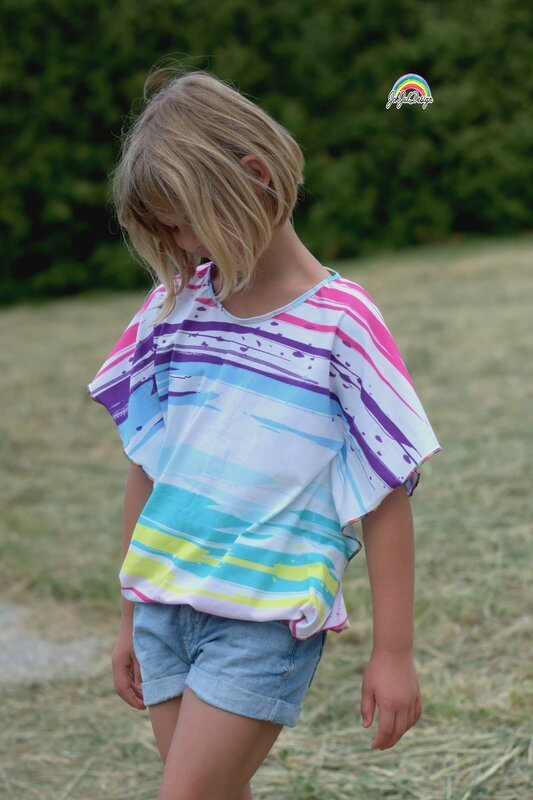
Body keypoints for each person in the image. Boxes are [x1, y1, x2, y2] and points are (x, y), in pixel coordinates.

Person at [86, 67, 442, 800]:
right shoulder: (171, 309)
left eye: (183, 221)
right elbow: (147, 467)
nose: (180, 245)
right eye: (163, 230)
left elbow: (386, 492)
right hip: (162, 608)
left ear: (254, 177)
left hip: (261, 617)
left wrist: (394, 652)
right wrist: (129, 615)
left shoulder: (342, 323)